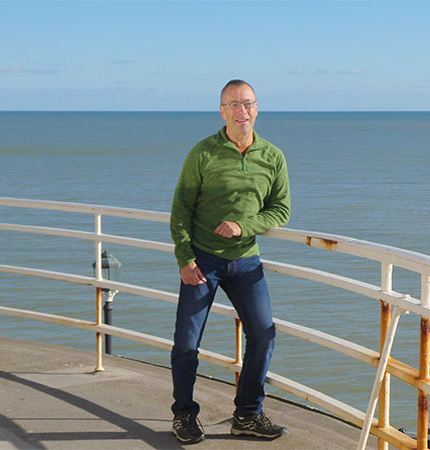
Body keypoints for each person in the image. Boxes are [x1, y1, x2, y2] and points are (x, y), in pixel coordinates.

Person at [168, 79, 290, 444]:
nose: (242, 111)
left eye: (248, 104)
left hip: (246, 262)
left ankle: (247, 415)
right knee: (187, 343)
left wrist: (244, 226)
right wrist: (185, 258)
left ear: (257, 108)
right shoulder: (202, 153)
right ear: (222, 111)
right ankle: (184, 416)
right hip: (202, 261)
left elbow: (280, 210)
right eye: (233, 105)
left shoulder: (272, 156)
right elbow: (180, 210)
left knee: (264, 336)